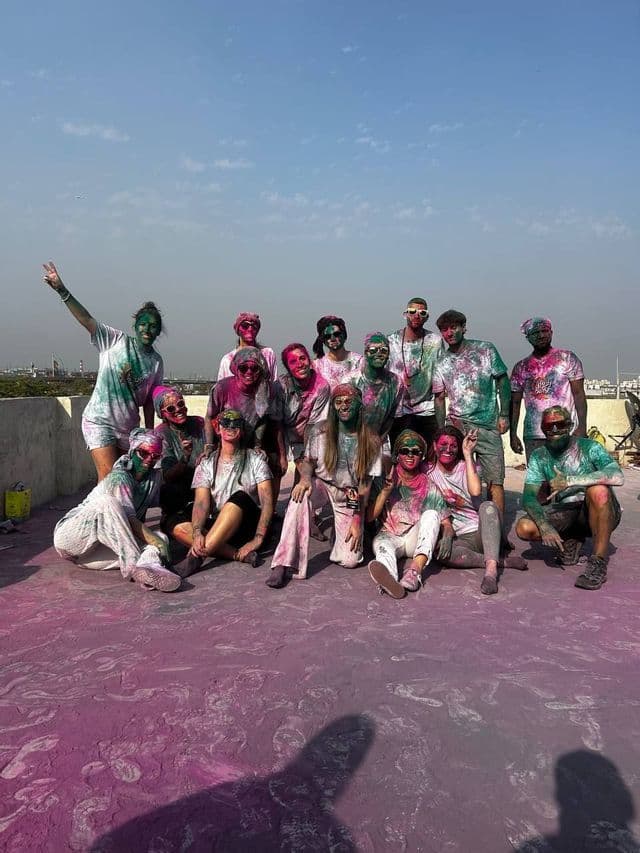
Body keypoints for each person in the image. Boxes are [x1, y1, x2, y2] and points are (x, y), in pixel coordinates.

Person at [42, 261, 164, 481]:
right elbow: (86, 319)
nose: (148, 329)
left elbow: (148, 401)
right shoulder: (114, 340)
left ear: (158, 331)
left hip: (128, 428)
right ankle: (102, 517)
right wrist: (62, 289)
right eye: (144, 324)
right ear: (136, 325)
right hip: (100, 421)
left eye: (153, 326)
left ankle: (122, 516)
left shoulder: (156, 361)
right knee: (108, 477)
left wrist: (148, 432)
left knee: (127, 478)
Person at [266, 384, 382, 588]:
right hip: (322, 484)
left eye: (349, 401)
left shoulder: (371, 440)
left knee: (350, 561)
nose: (344, 406)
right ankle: (282, 563)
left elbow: (364, 485)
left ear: (359, 405)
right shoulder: (319, 431)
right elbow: (309, 462)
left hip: (350, 495)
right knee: (298, 497)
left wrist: (357, 520)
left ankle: (339, 536)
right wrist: (304, 479)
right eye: (338, 402)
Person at [53, 428, 181, 592]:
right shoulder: (119, 477)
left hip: (88, 555)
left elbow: (163, 502)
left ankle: (148, 566)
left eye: (155, 456)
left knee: (159, 536)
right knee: (108, 503)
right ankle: (135, 565)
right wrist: (159, 544)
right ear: (133, 451)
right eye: (144, 453)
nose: (149, 460)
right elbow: (130, 520)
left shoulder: (153, 478)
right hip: (71, 539)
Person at [516, 406, 623, 590]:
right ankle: (572, 538)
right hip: (567, 511)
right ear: (543, 429)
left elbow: (617, 476)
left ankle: (598, 562)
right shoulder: (539, 456)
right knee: (524, 527)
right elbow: (528, 497)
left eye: (560, 425)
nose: (555, 430)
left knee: (598, 490)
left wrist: (570, 481)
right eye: (549, 426)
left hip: (598, 508)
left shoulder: (589, 447)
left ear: (570, 425)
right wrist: (544, 525)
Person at [433, 309, 512, 545]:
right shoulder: (441, 361)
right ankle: (460, 527)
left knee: (495, 481)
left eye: (454, 327)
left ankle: (497, 534)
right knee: (456, 479)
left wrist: (505, 414)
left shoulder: (485, 349)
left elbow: (503, 381)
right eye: (445, 329)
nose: (450, 332)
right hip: (456, 426)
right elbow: (439, 398)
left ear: (464, 327)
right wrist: (442, 431)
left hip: (487, 426)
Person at [428, 426, 528, 595]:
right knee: (440, 553)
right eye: (443, 444)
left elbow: (475, 491)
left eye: (453, 446)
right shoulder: (428, 471)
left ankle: (491, 573)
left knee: (488, 506)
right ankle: (500, 561)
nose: (448, 449)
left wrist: (467, 454)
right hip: (458, 540)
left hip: (481, 533)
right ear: (434, 446)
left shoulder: (467, 467)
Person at [174, 409, 274, 577]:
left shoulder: (255, 460)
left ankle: (195, 557)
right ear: (218, 428)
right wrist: (197, 532)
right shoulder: (206, 463)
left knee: (239, 497)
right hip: (218, 527)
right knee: (174, 522)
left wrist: (258, 538)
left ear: (242, 430)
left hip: (246, 527)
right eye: (225, 423)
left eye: (236, 424)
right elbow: (201, 503)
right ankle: (236, 554)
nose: (230, 427)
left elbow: (267, 502)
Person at [367, 430, 446, 598]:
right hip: (388, 535)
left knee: (432, 514)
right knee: (383, 549)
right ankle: (389, 579)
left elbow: (445, 521)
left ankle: (414, 572)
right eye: (405, 451)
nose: (410, 455)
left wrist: (447, 535)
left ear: (422, 456)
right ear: (397, 455)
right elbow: (369, 517)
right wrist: (385, 492)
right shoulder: (384, 479)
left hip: (413, 539)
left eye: (415, 452)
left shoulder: (428, 484)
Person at [205, 347, 287, 504]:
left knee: (270, 462)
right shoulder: (222, 388)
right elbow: (209, 417)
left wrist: (278, 454)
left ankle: (267, 510)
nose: (249, 372)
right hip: (226, 440)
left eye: (254, 368)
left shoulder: (266, 389)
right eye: (244, 367)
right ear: (236, 368)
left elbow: (266, 421)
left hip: (252, 440)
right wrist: (209, 445)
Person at [510, 316, 587, 461]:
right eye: (535, 333)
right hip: (534, 434)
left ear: (551, 332)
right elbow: (515, 403)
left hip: (564, 432)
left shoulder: (568, 358)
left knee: (568, 479)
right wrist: (513, 435)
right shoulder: (521, 367)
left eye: (544, 331)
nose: (540, 335)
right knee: (538, 480)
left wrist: (582, 427)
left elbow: (579, 394)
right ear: (528, 338)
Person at [387, 297, 444, 448]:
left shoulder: (435, 341)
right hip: (399, 411)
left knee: (431, 456)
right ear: (405, 314)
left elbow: (440, 377)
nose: (417, 315)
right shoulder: (391, 341)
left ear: (427, 317)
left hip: (428, 410)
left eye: (422, 312)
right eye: (412, 311)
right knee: (402, 456)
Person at [153, 386, 205, 547]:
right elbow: (168, 475)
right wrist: (185, 457)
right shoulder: (161, 433)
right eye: (171, 408)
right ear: (162, 413)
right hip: (181, 490)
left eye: (181, 404)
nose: (178, 410)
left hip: (203, 484)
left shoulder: (199, 423)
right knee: (169, 491)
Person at [278, 343, 330, 462]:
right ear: (287, 368)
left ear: (309, 360)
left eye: (302, 358)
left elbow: (313, 425)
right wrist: (282, 457)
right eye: (293, 362)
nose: (300, 364)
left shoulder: (321, 386)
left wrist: (306, 456)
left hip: (311, 441)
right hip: (284, 441)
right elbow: (277, 424)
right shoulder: (280, 386)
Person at [355, 332, 403, 451]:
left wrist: (379, 439)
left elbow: (392, 416)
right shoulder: (351, 381)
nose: (378, 354)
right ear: (366, 354)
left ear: (388, 355)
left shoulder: (396, 382)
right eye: (373, 350)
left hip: (381, 440)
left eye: (383, 350)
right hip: (354, 439)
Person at [217, 312, 278, 381]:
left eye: (254, 326)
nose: (250, 329)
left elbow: (274, 383)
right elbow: (221, 388)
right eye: (245, 326)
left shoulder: (268, 353)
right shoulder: (227, 360)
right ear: (237, 329)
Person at [311, 315, 362, 388]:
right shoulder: (317, 366)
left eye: (336, 334)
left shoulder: (359, 362)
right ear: (323, 341)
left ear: (344, 335)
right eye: (328, 336)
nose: (332, 339)